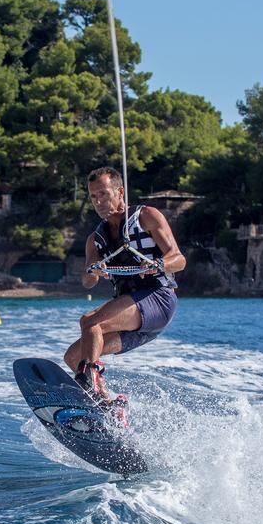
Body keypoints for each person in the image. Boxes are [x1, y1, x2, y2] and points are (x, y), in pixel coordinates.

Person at [63, 166, 186, 405]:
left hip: (158, 300)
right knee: (74, 356)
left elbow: (179, 260)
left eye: (104, 194)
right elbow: (88, 282)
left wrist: (159, 264)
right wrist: (93, 270)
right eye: (93, 197)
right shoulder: (94, 240)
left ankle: (91, 382)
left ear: (120, 192)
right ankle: (108, 407)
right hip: (135, 321)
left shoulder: (146, 216)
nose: (98, 201)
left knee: (90, 321)